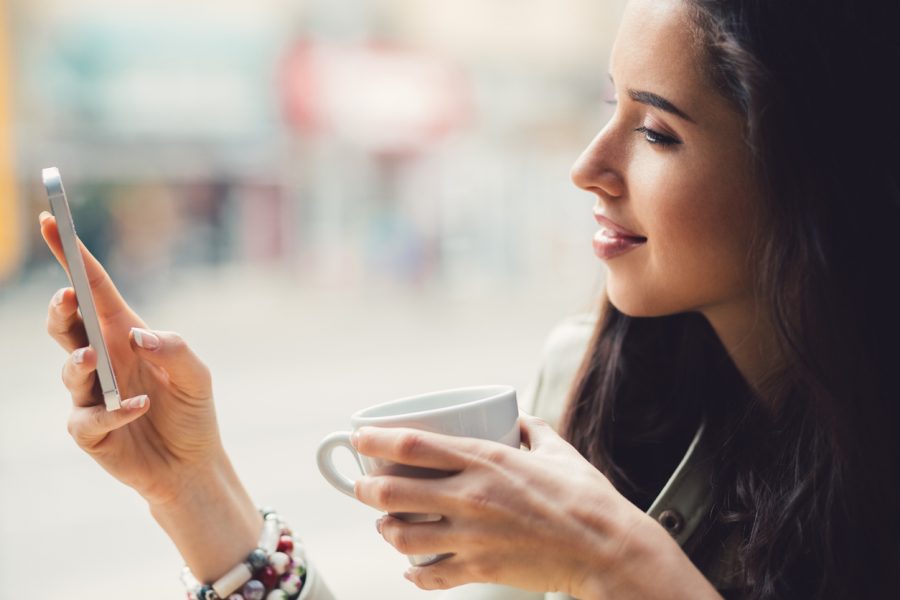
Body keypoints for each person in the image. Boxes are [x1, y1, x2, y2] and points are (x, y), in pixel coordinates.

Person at [39, 0, 899, 598]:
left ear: (809, 173)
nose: (588, 165)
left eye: (656, 130)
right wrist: (190, 486)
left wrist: (616, 563)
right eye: (610, 106)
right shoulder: (589, 387)